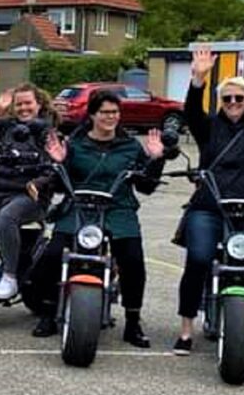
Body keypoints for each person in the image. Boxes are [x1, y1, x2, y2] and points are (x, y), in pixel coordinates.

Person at [30, 90, 165, 346]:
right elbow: (59, 186)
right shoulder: (74, 144)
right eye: (104, 112)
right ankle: (48, 313)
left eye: (115, 112)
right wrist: (59, 162)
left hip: (118, 209)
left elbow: (146, 186)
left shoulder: (130, 146)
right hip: (79, 207)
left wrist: (155, 159)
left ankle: (133, 322)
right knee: (52, 255)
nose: (110, 117)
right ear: (92, 115)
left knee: (133, 260)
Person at [0, 64, 59, 301]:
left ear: (39, 105)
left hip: (29, 198)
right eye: (19, 104)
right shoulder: (7, 126)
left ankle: (10, 276)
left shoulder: (47, 132)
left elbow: (55, 167)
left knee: (7, 216)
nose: (24, 108)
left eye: (28, 103)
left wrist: (38, 182)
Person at [172, 46, 244, 355]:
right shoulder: (210, 127)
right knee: (199, 259)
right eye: (227, 98)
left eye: (239, 98)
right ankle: (186, 330)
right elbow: (191, 112)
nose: (233, 103)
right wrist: (198, 80)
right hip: (209, 207)